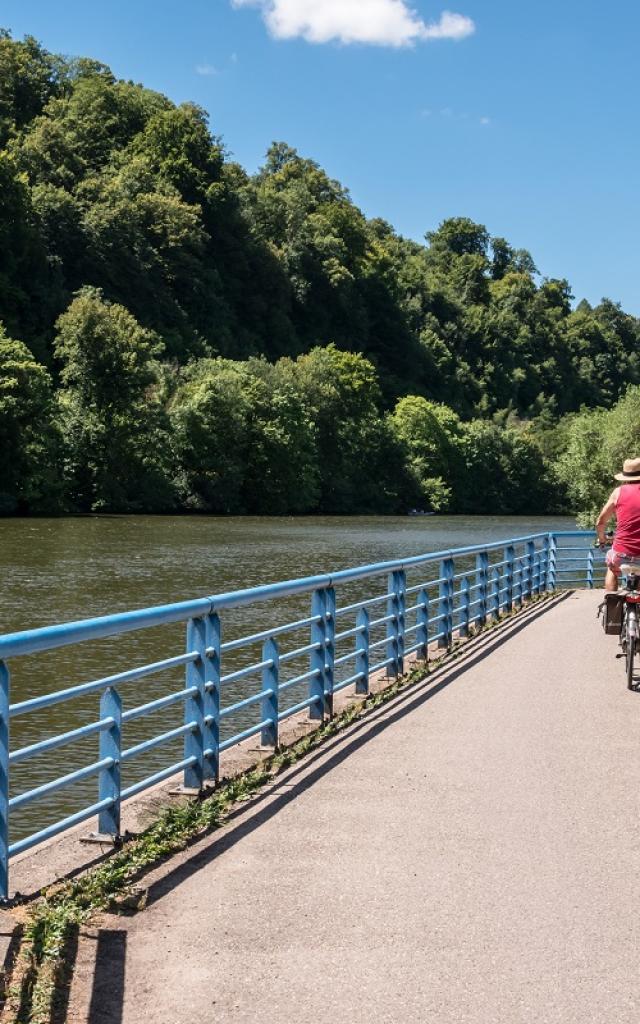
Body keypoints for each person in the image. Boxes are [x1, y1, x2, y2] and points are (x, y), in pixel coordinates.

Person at [596, 458, 640, 592]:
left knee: (612, 568)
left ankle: (611, 603)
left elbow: (601, 521)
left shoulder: (618, 492)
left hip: (621, 553)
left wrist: (602, 539)